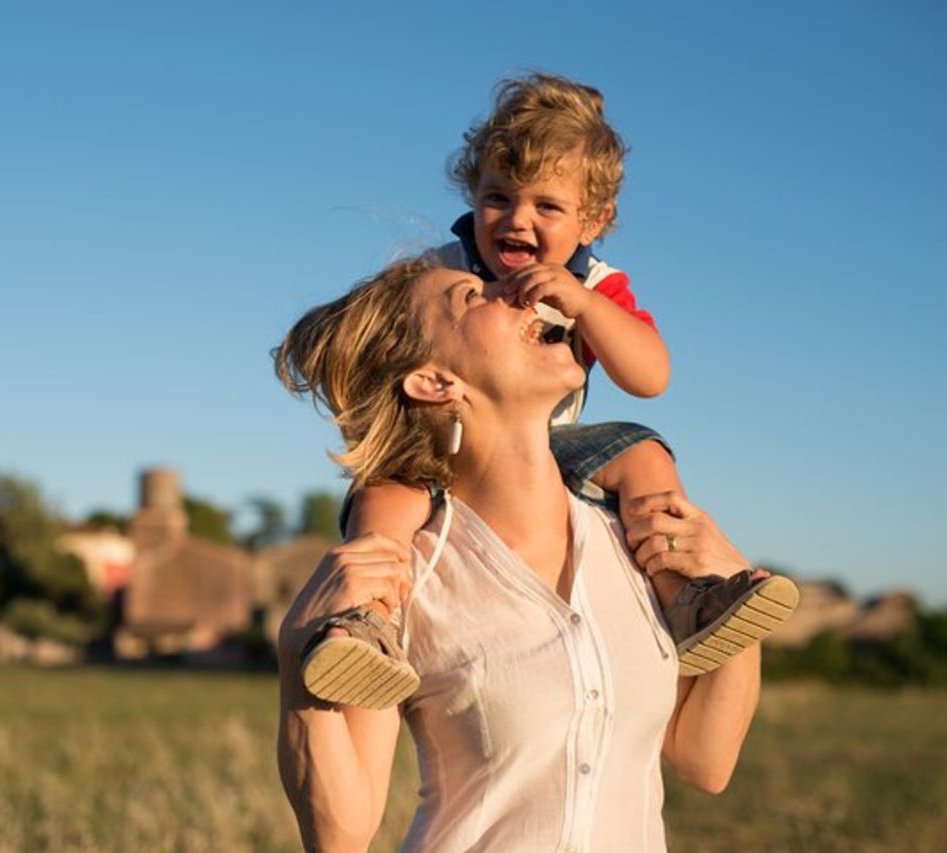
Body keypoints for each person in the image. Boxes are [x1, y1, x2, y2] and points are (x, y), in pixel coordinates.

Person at [300, 73, 797, 709]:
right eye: (497, 198)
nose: (516, 220)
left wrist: (585, 306)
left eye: (547, 207)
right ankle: (367, 620)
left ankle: (688, 593)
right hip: (450, 436)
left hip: (551, 444)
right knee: (386, 491)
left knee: (643, 452)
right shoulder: (446, 270)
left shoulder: (595, 283)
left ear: (595, 221)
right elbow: (380, 337)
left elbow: (651, 378)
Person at [275, 256, 766, 851]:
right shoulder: (408, 570)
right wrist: (298, 652)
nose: (516, 291)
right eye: (471, 297)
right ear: (435, 382)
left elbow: (705, 762)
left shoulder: (632, 538)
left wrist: (738, 599)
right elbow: (342, 835)